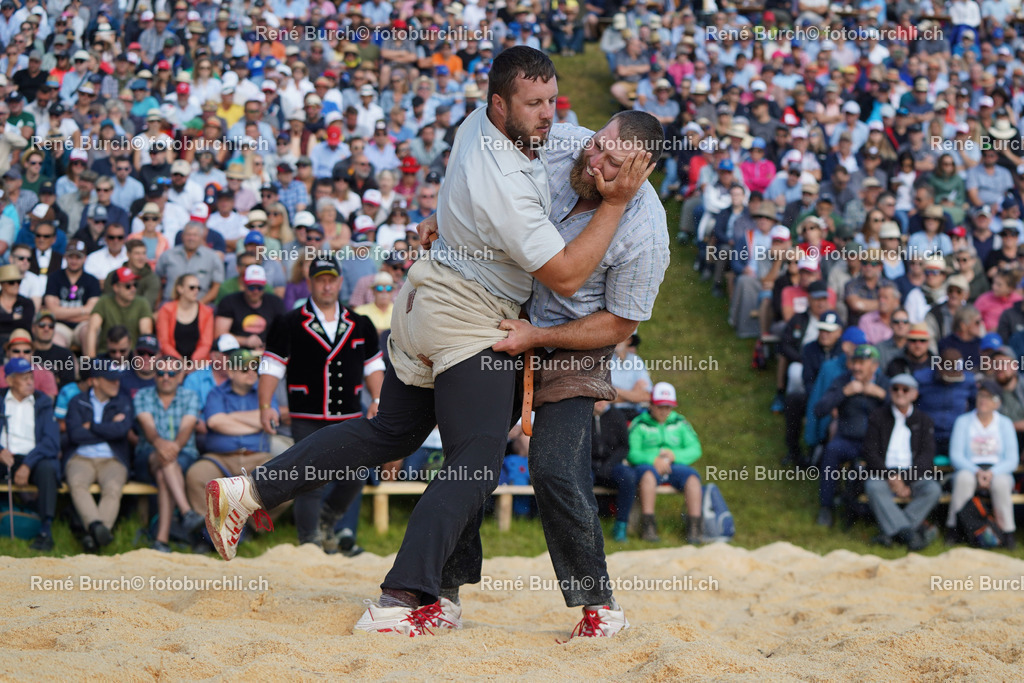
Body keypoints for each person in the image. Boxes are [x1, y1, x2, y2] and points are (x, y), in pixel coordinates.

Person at [205, 47, 653, 639]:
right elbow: (566, 273)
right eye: (535, 105)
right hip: (475, 318)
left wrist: (454, 217)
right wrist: (611, 203)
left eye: (552, 102)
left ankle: (250, 490)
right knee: (475, 461)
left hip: (525, 328)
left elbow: (621, 322)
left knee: (402, 433)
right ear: (502, 105)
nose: (558, 125)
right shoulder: (521, 178)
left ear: (644, 169)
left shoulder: (517, 136)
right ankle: (408, 596)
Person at [259, 255, 384, 547]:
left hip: (348, 414)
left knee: (357, 471)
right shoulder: (289, 322)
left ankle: (328, 520)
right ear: (310, 283)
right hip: (307, 413)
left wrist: (378, 398)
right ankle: (308, 541)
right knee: (310, 478)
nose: (327, 286)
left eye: (331, 280)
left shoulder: (360, 323)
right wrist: (266, 405)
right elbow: (271, 366)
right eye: (320, 280)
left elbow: (373, 366)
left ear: (340, 282)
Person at [184, 347, 282, 515]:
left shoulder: (264, 393)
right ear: (230, 373)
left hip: (257, 456)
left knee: (285, 479)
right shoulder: (216, 393)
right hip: (220, 458)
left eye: (254, 367)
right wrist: (257, 421)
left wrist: (230, 417)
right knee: (196, 476)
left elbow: (270, 422)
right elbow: (215, 422)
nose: (251, 372)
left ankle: (250, 526)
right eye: (244, 369)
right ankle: (213, 529)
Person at [862, 373, 942, 550]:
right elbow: (870, 452)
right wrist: (891, 476)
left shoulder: (924, 421)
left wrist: (904, 479)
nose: (900, 393)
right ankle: (910, 534)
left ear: (914, 394)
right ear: (890, 392)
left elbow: (926, 457)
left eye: (905, 389)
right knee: (873, 487)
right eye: (895, 388)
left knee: (932, 489)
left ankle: (892, 533)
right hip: (883, 473)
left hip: (912, 475)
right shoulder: (877, 417)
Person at [133, 355, 204, 552]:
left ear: (180, 375)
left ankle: (161, 541)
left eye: (172, 373)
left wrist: (172, 448)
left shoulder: (190, 396)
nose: (166, 377)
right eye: (161, 372)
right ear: (154, 375)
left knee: (165, 470)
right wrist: (160, 444)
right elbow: (148, 429)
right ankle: (187, 513)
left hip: (183, 454)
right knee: (167, 462)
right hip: (147, 455)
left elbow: (186, 430)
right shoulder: (142, 395)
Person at [814, 344, 889, 527]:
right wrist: (844, 392)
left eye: (861, 363)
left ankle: (876, 510)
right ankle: (826, 507)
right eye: (854, 362)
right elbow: (819, 409)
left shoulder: (885, 382)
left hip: (877, 443)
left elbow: (904, 409)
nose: (856, 367)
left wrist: (881, 395)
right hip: (847, 438)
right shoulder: (842, 381)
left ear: (874, 366)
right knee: (831, 451)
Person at [64, 358, 134, 553]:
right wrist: (107, 428)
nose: (116, 383)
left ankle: (92, 538)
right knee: (77, 484)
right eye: (110, 379)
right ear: (94, 380)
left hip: (112, 458)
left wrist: (92, 427)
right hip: (81, 457)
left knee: (112, 488)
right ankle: (97, 528)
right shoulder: (77, 401)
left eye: (117, 379)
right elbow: (75, 434)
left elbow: (121, 430)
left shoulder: (123, 400)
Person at [946, 380, 1019, 548]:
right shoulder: (963, 421)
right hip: (970, 468)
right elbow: (956, 455)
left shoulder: (1005, 423)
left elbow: (1012, 459)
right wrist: (977, 471)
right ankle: (955, 529)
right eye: (981, 395)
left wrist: (992, 472)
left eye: (988, 396)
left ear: (997, 402)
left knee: (1001, 483)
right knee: (964, 479)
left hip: (997, 470)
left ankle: (1007, 533)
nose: (983, 400)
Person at [627, 382, 703, 544]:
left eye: (668, 407)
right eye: (660, 407)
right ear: (651, 405)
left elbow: (695, 448)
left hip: (674, 465)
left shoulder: (680, 422)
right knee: (647, 477)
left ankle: (694, 528)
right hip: (648, 466)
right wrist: (653, 458)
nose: (664, 411)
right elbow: (631, 452)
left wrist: (675, 455)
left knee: (693, 479)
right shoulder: (639, 423)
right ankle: (648, 526)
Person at [0, 356, 61, 551]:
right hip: (4, 456)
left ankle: (45, 531)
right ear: (9, 380)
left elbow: (51, 442)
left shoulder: (42, 402)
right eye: (23, 377)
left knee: (48, 468)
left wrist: (28, 464)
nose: (29, 381)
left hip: (33, 458)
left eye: (30, 376)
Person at [84, 267, 154, 358]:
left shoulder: (142, 303)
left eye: (135, 284)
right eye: (128, 286)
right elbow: (92, 329)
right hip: (107, 354)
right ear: (116, 287)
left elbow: (146, 333)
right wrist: (91, 359)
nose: (133, 289)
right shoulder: (104, 301)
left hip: (132, 356)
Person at [591, 400, 636, 542]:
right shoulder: (581, 416)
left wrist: (609, 465)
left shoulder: (616, 415)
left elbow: (624, 447)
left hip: (611, 466)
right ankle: (586, 526)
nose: (600, 402)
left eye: (603, 397)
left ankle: (621, 525)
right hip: (588, 466)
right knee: (581, 480)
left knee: (628, 477)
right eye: (596, 398)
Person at [214, 265, 286, 350]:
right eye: (251, 287)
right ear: (244, 285)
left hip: (267, 351)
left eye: (259, 287)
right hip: (235, 351)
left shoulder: (275, 302)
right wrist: (245, 341)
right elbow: (220, 335)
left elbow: (283, 333)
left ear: (264, 287)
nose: (255, 291)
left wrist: (269, 345)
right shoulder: (229, 301)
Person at [156, 273, 214, 362]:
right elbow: (164, 342)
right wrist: (179, 361)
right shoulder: (166, 310)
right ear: (180, 289)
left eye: (198, 288)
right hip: (170, 362)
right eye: (192, 288)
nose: (196, 291)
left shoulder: (207, 312)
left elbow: (206, 344)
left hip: (198, 364)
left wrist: (192, 362)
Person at [31, 310, 74, 388]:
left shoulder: (65, 354)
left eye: (51, 326)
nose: (46, 329)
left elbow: (68, 385)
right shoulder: (25, 351)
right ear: (33, 328)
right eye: (42, 325)